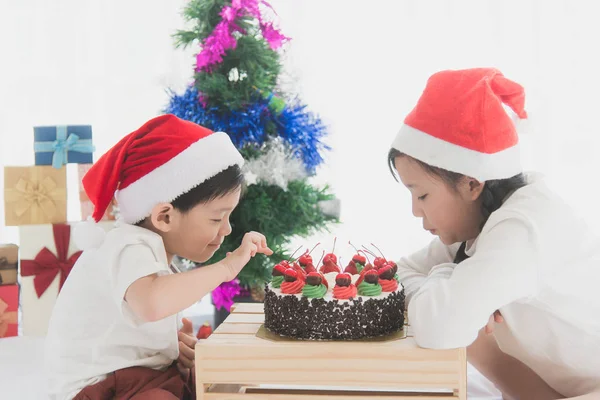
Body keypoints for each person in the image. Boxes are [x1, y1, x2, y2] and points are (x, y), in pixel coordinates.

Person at [390, 68, 600, 399]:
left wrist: (446, 279)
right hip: (551, 387)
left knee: (458, 331)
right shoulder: (478, 221)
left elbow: (438, 327)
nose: (416, 210)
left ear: (472, 183)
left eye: (422, 195)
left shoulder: (521, 226)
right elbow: (398, 274)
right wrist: (448, 283)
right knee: (465, 337)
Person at [45, 114, 273, 400]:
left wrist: (173, 346)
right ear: (164, 216)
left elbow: (138, 326)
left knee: (208, 380)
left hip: (136, 377)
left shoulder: (151, 253)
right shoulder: (127, 245)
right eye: (217, 218)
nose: (226, 230)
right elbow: (151, 303)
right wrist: (227, 266)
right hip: (99, 388)